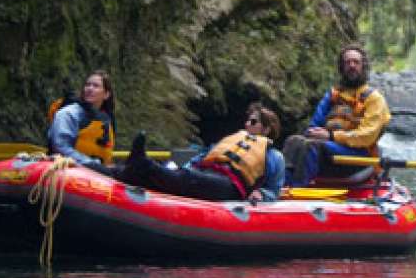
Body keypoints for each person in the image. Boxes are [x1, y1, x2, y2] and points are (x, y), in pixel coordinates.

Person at [120, 102, 287, 203]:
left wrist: (262, 194)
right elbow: (201, 158)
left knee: (189, 178)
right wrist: (180, 169)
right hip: (207, 174)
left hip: (230, 187)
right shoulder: (234, 140)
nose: (247, 124)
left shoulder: (274, 156)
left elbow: (274, 190)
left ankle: (143, 164)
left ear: (266, 129)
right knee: (186, 175)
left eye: (253, 121)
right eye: (247, 120)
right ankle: (120, 171)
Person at [282, 44, 391, 186]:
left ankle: (298, 189)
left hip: (358, 157)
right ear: (341, 68)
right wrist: (313, 132)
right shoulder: (333, 95)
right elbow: (313, 125)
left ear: (363, 67)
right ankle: (283, 186)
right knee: (293, 141)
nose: (352, 66)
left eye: (356, 62)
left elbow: (366, 136)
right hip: (329, 152)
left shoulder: (374, 99)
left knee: (313, 146)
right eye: (347, 62)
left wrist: (331, 136)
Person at [47, 70, 116, 171]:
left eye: (96, 86)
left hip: (98, 174)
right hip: (67, 170)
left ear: (106, 94)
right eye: (88, 85)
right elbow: (61, 147)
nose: (90, 89)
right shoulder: (68, 113)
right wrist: (93, 164)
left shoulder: (106, 119)